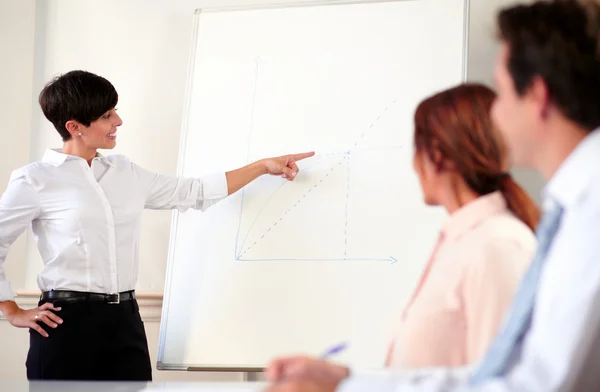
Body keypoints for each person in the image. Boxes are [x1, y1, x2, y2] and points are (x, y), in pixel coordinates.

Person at [264, 0, 600, 391]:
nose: (494, 115)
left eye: (503, 93)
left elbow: (530, 385)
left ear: (538, 96)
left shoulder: (546, 230)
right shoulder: (571, 210)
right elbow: (501, 374)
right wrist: (347, 379)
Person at [0, 70, 314, 381]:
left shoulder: (125, 172)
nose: (118, 122)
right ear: (74, 127)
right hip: (65, 324)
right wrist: (11, 310)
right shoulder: (35, 179)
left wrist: (262, 167)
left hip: (126, 320)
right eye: (107, 115)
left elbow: (195, 191)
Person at [384, 83, 538, 370]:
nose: (413, 163)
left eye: (416, 148)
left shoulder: (497, 246)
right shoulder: (462, 240)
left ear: (437, 155)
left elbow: (499, 381)